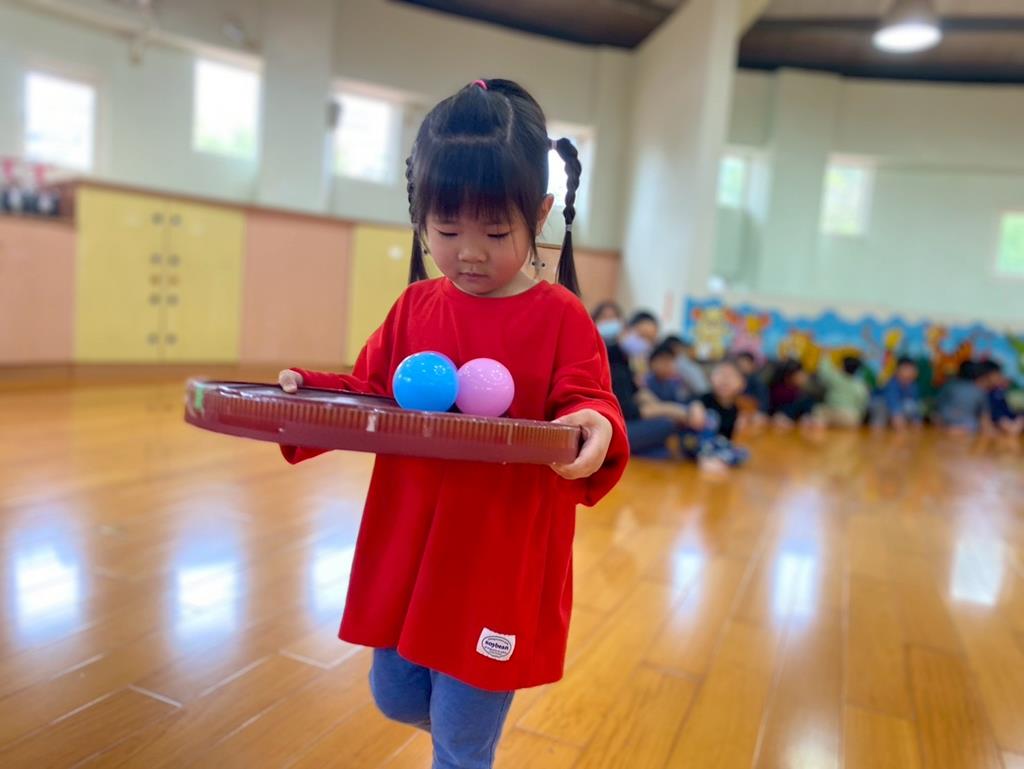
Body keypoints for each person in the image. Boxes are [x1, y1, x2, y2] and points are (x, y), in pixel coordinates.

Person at [276, 79, 628, 769]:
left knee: (462, 742)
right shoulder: (415, 308)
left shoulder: (562, 317)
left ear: (541, 213)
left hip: (497, 559)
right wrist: (304, 394)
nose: (469, 251)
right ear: (420, 219)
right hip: (410, 548)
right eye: (446, 231)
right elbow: (369, 390)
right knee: (395, 695)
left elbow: (589, 400)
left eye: (495, 233)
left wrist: (593, 423)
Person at [606, 316, 694, 457]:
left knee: (662, 452)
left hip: (623, 425)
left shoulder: (626, 361)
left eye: (650, 339)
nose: (645, 343)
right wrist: (669, 410)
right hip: (610, 428)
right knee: (666, 424)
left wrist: (672, 408)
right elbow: (629, 410)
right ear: (625, 331)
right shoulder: (611, 361)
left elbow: (638, 392)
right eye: (642, 336)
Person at [686, 360, 750, 470]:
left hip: (717, 445)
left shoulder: (735, 409)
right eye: (720, 374)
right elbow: (693, 404)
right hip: (696, 442)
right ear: (710, 378)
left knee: (743, 453)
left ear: (742, 384)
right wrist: (696, 408)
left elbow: (727, 436)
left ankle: (718, 457)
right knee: (711, 416)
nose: (724, 380)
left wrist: (739, 426)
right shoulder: (705, 399)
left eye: (731, 376)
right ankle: (705, 458)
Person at [816, 355, 870, 428]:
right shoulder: (861, 385)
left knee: (818, 410)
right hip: (851, 418)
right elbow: (863, 404)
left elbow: (824, 370)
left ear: (843, 367)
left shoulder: (836, 377)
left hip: (832, 413)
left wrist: (825, 356)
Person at [869, 356, 923, 430]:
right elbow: (892, 399)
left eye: (913, 370)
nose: (911, 372)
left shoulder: (913, 386)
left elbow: (915, 404)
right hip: (880, 404)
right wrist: (897, 415)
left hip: (896, 407)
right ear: (897, 371)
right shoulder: (892, 383)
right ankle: (877, 427)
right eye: (906, 369)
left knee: (910, 405)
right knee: (880, 406)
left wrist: (916, 419)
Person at [935, 360, 988, 433]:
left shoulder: (949, 384)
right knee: (972, 422)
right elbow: (983, 413)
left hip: (947, 419)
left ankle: (952, 428)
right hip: (967, 422)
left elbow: (939, 403)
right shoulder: (978, 390)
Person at [769, 359, 819, 429]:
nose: (804, 376)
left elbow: (807, 412)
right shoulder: (778, 393)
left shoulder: (804, 393)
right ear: (788, 378)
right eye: (800, 374)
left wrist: (808, 417)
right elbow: (773, 414)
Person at [981, 360, 1023, 437]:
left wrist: (1019, 421)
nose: (1000, 376)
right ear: (987, 375)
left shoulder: (1000, 391)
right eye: (997, 374)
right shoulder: (986, 394)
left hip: (1012, 426)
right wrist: (1009, 426)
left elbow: (1016, 411)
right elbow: (996, 415)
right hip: (1003, 429)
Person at [735, 351, 769, 429]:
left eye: (745, 363)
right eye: (740, 364)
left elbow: (763, 403)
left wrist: (759, 413)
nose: (742, 366)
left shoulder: (758, 382)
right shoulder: (734, 380)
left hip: (753, 416)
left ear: (752, 365)